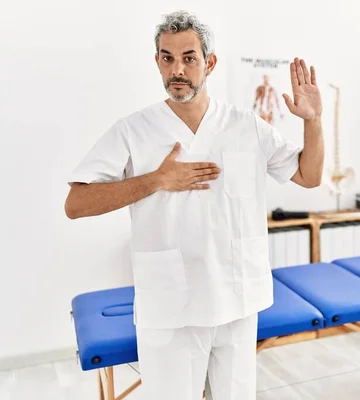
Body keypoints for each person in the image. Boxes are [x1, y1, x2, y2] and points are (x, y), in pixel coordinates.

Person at [64, 10, 324, 400]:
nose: (177, 70)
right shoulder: (133, 130)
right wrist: (157, 180)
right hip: (172, 307)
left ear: (210, 62)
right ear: (157, 62)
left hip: (238, 301)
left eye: (188, 57)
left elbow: (309, 176)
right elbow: (76, 203)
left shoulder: (246, 125)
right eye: (167, 58)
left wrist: (314, 122)